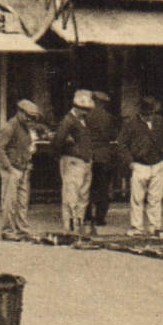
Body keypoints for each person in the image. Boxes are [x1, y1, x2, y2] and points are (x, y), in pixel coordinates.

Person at [118, 95, 163, 237]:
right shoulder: (131, 124)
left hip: (157, 164)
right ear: (141, 112)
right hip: (139, 164)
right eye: (146, 114)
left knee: (155, 199)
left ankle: (155, 226)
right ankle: (137, 227)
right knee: (137, 198)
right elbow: (122, 144)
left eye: (151, 113)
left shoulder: (159, 121)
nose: (149, 117)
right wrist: (130, 162)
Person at [0, 99, 46, 240]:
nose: (30, 119)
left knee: (22, 201)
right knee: (10, 201)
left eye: (32, 117)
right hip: (12, 168)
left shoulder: (25, 127)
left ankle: (22, 229)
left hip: (22, 167)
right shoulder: (10, 127)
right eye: (28, 116)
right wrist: (9, 168)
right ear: (20, 112)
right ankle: (8, 231)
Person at [52, 89, 95, 235]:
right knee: (71, 196)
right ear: (76, 107)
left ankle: (78, 225)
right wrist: (66, 151)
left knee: (83, 196)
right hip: (73, 161)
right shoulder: (68, 120)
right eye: (84, 109)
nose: (86, 112)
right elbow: (58, 141)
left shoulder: (82, 120)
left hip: (84, 161)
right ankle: (70, 228)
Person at [84, 90, 119, 229]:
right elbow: (113, 135)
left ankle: (86, 215)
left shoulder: (85, 116)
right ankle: (100, 218)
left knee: (86, 186)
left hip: (88, 155)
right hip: (104, 156)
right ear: (103, 103)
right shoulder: (108, 117)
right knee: (103, 188)